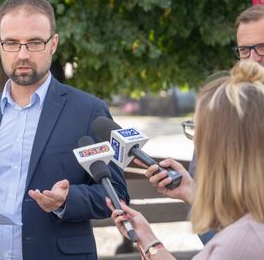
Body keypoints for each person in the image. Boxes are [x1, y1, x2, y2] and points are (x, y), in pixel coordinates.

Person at [0, 0, 129, 260]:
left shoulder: (88, 111)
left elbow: (117, 194)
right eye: (12, 43)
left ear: (53, 44)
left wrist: (68, 199)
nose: (23, 54)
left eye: (34, 42)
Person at [108, 60, 264, 259]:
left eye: (199, 130)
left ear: (223, 147)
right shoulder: (248, 226)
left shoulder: (241, 241)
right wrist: (148, 239)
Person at [139, 3, 264, 244]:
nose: (252, 59)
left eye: (262, 48)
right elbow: (209, 226)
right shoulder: (220, 112)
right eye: (244, 50)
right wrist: (190, 190)